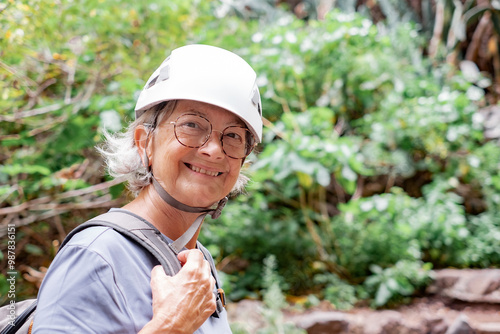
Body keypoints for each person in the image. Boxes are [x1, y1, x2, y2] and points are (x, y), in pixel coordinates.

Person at [32, 44, 263, 333]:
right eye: (192, 125)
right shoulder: (95, 256)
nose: (214, 150)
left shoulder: (196, 261)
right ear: (144, 142)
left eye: (232, 135)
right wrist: (172, 326)